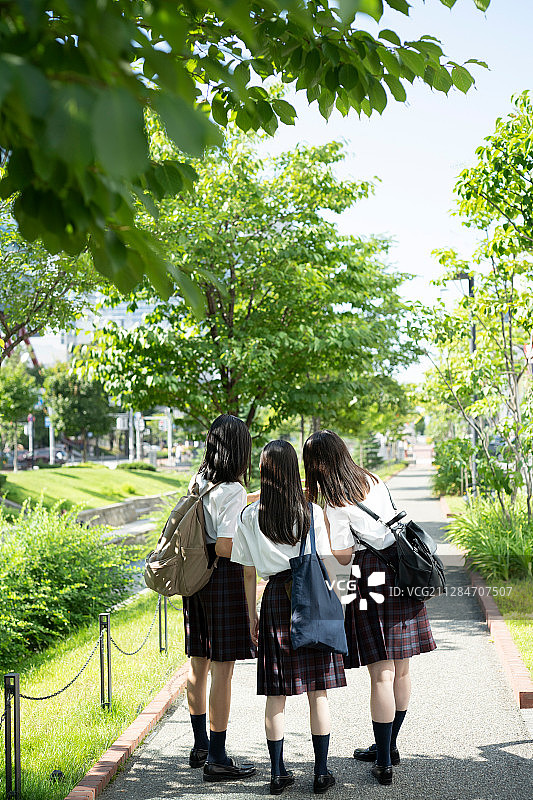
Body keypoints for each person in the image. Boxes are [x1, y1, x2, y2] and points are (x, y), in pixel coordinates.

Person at [303, 430, 436, 787]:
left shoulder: (335, 502)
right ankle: (388, 747)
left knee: (381, 674)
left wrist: (326, 530)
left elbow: (343, 555)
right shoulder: (372, 479)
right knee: (401, 670)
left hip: (373, 574)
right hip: (402, 567)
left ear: (316, 465)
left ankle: (384, 762)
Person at [231, 439, 346, 796]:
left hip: (274, 605)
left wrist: (251, 614)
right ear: (294, 470)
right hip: (310, 600)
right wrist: (337, 603)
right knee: (317, 691)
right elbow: (326, 562)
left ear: (263, 471)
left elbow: (248, 572)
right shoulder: (311, 511)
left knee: (275, 694)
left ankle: (277, 773)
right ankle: (321, 772)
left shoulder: (249, 516)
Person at [182, 414, 257, 782]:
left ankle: (200, 746)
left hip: (196, 578)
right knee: (223, 672)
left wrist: (257, 498)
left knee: (198, 664)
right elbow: (226, 545)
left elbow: (216, 515)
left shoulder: (199, 480)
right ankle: (218, 757)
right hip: (223, 580)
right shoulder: (234, 489)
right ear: (240, 450)